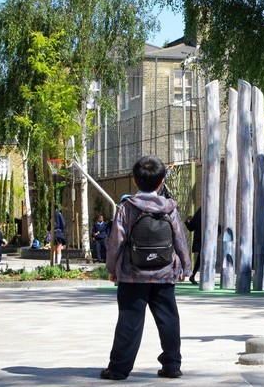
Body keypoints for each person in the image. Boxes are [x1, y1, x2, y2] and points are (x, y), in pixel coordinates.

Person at [101, 155, 191, 381]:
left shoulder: (127, 207)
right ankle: (172, 365)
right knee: (168, 319)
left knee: (129, 320)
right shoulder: (170, 208)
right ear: (161, 182)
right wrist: (185, 267)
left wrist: (111, 268)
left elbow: (116, 241)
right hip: (164, 273)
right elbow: (180, 239)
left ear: (134, 180)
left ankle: (118, 369)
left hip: (132, 274)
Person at [184, 207, 221, 285]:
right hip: (202, 240)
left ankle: (193, 276)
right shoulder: (204, 213)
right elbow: (191, 228)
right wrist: (187, 221)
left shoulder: (199, 213)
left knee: (200, 258)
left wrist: (187, 221)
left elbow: (191, 228)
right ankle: (196, 276)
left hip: (202, 240)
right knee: (202, 258)